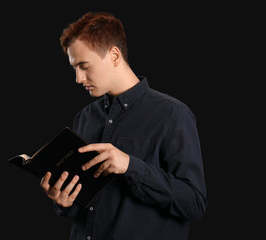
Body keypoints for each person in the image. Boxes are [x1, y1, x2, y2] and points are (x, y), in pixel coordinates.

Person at [40, 11, 207, 240]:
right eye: (74, 68)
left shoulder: (173, 115)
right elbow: (81, 209)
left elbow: (194, 204)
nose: (78, 78)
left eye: (84, 66)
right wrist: (63, 201)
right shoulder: (85, 117)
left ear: (115, 56)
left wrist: (130, 166)